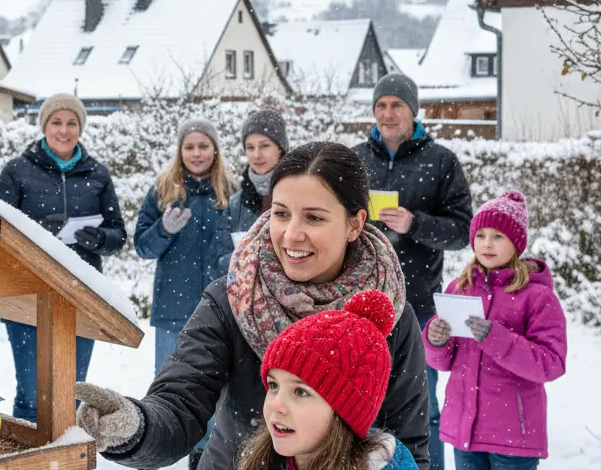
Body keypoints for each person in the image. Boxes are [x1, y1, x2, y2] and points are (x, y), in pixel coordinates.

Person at [76, 142, 431, 470]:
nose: (292, 234)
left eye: (315, 217)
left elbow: (407, 441)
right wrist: (135, 426)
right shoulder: (235, 297)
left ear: (355, 223)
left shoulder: (389, 311)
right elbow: (181, 403)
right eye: (281, 213)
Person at [353, 73, 473, 470]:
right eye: (381, 105)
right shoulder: (354, 159)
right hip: (360, 304)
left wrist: (415, 224)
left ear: (413, 112)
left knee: (422, 410)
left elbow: (462, 231)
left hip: (418, 303)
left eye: (397, 105)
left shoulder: (440, 161)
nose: (388, 113)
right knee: (357, 408)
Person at [0, 93, 126, 422]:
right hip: (26, 293)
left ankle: (65, 456)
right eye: (56, 122)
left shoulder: (97, 174)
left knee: (71, 391)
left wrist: (100, 238)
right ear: (44, 126)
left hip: (82, 294)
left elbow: (118, 234)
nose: (64, 130)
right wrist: (37, 231)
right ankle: (30, 456)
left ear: (80, 127)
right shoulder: (18, 171)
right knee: (31, 392)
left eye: (71, 123)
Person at [424, 190, 567, 470]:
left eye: (498, 236)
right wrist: (435, 340)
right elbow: (442, 363)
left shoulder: (537, 297)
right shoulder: (460, 289)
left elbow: (551, 364)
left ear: (517, 243)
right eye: (481, 235)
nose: (486, 244)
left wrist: (495, 338)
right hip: (464, 431)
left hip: (514, 438)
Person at [133, 117, 235, 466]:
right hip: (173, 310)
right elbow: (142, 247)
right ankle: (182, 452)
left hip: (222, 308)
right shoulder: (163, 190)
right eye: (189, 146)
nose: (196, 152)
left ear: (215, 149)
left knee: (219, 391)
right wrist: (164, 228)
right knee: (174, 390)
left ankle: (208, 456)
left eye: (203, 145)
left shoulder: (231, 192)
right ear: (180, 151)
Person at [237, 289, 418, 470]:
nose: (276, 405)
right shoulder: (267, 463)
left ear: (346, 414)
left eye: (300, 392)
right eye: (273, 385)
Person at [214, 108, 288, 277]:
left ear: (280, 148)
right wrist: (250, 258)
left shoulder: (302, 192)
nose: (257, 154)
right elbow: (219, 262)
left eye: (265, 146)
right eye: (250, 147)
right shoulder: (236, 204)